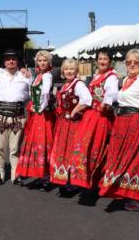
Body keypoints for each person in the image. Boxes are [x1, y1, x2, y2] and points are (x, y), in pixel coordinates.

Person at [99, 48, 139, 211]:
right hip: (123, 122)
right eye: (128, 62)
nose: (132, 65)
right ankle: (130, 193)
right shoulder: (126, 80)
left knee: (136, 160)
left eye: (136, 62)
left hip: (135, 123)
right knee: (126, 158)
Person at [67, 50, 118, 191]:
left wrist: (106, 102)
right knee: (84, 146)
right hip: (90, 116)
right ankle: (83, 180)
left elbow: (112, 92)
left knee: (96, 148)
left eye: (105, 59)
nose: (102, 61)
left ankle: (95, 182)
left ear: (110, 61)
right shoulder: (98, 75)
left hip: (101, 117)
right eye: (100, 59)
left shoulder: (111, 77)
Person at [49, 59, 92, 194]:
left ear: (76, 71)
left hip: (74, 123)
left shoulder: (78, 84)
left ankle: (72, 182)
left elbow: (87, 100)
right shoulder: (67, 84)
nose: (69, 71)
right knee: (63, 150)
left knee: (71, 150)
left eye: (71, 69)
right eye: (66, 69)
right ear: (63, 71)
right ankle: (64, 179)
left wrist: (74, 111)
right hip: (64, 123)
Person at [15, 50, 55, 190]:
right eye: (40, 60)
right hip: (37, 114)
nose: (42, 63)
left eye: (45, 60)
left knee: (43, 142)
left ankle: (47, 177)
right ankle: (41, 174)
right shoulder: (39, 75)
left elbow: (45, 93)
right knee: (37, 142)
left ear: (49, 62)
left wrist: (38, 108)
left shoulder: (47, 76)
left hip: (42, 115)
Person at [0, 49, 30, 185]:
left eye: (13, 58)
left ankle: (16, 175)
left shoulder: (25, 77)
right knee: (0, 148)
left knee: (15, 149)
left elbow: (31, 95)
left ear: (18, 61)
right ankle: (0, 175)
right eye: (8, 59)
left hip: (18, 117)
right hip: (1, 117)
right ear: (4, 62)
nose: (11, 61)